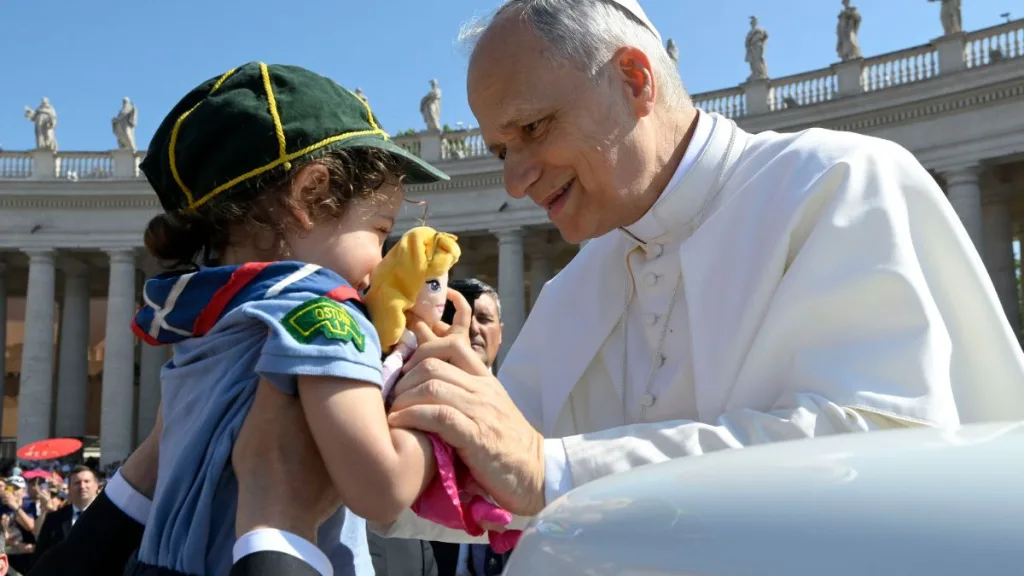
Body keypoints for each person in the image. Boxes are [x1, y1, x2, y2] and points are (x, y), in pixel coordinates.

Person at [42, 0, 1024, 572]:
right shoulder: (578, 284)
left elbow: (876, 454)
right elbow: (466, 493)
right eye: (498, 147)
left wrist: (547, 470)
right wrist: (394, 411)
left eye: (532, 131)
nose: (513, 179)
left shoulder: (835, 184)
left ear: (634, 79)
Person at [124, 61, 450, 575]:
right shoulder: (323, 316)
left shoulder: (202, 322)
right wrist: (436, 413)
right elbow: (383, 490)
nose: (383, 258)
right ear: (310, 194)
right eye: (379, 231)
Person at [32, 466, 99, 563]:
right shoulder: (54, 519)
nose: (82, 486)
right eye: (77, 483)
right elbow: (40, 555)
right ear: (69, 488)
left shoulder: (109, 517)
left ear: (96, 485)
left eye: (86, 481)